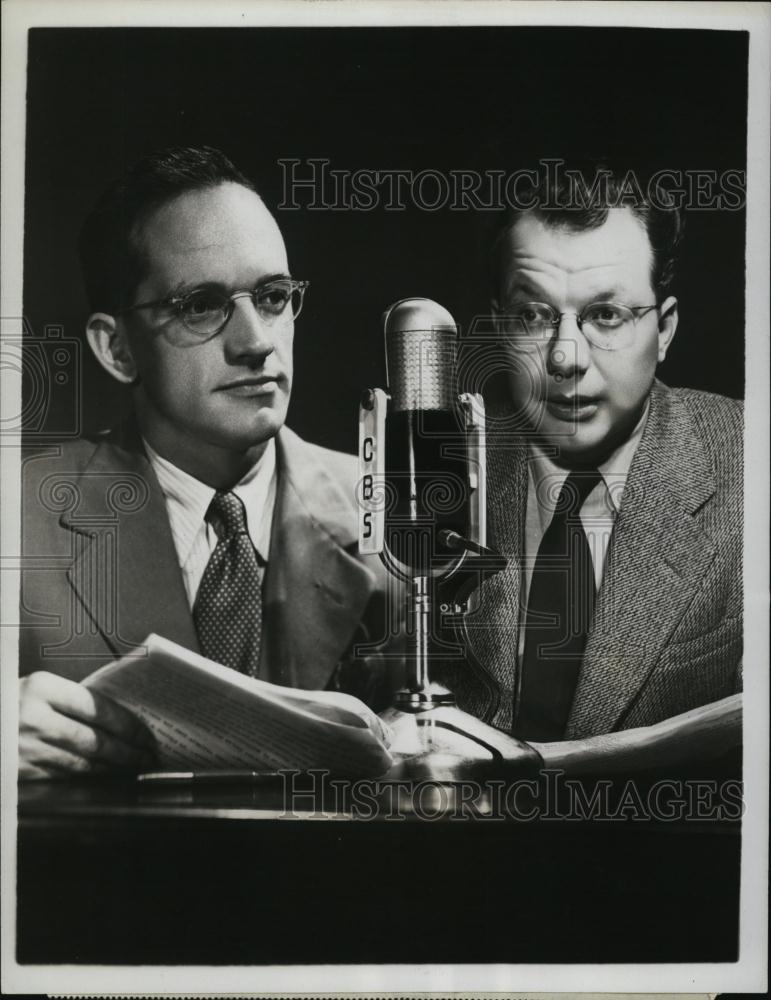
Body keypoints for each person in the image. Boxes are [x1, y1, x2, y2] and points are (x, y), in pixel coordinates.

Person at [18, 146, 400, 780]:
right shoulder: (19, 521)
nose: (256, 342)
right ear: (117, 348)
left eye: (273, 297)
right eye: (200, 305)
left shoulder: (399, 523)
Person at [451, 166, 742, 743]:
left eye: (606, 315)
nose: (566, 357)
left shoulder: (753, 466)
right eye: (533, 316)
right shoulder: (435, 470)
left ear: (664, 329)